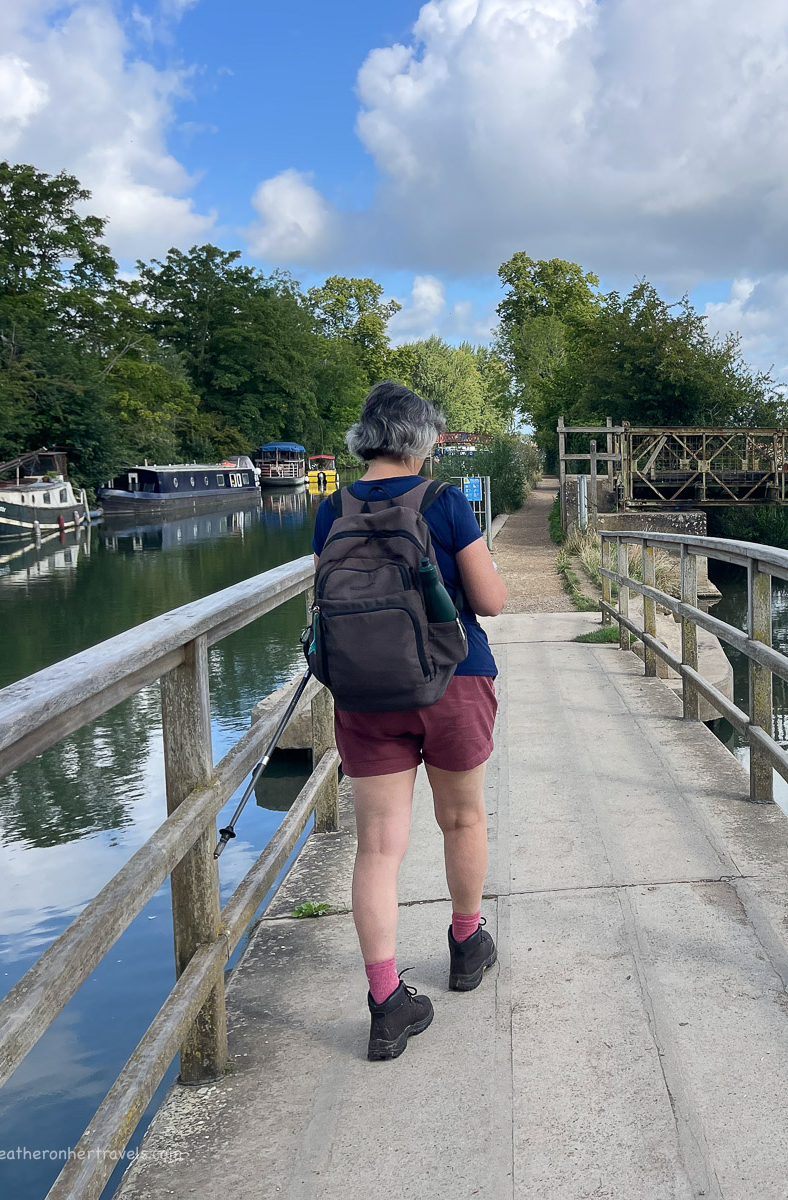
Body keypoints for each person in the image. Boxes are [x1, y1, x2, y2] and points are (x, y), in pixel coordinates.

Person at [312, 381, 508, 1060]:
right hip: (453, 681)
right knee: (462, 819)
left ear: (364, 439)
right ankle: (464, 944)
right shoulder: (444, 502)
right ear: (422, 440)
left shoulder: (330, 507)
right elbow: (490, 598)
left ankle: (388, 1004)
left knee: (378, 848)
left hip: (366, 692)